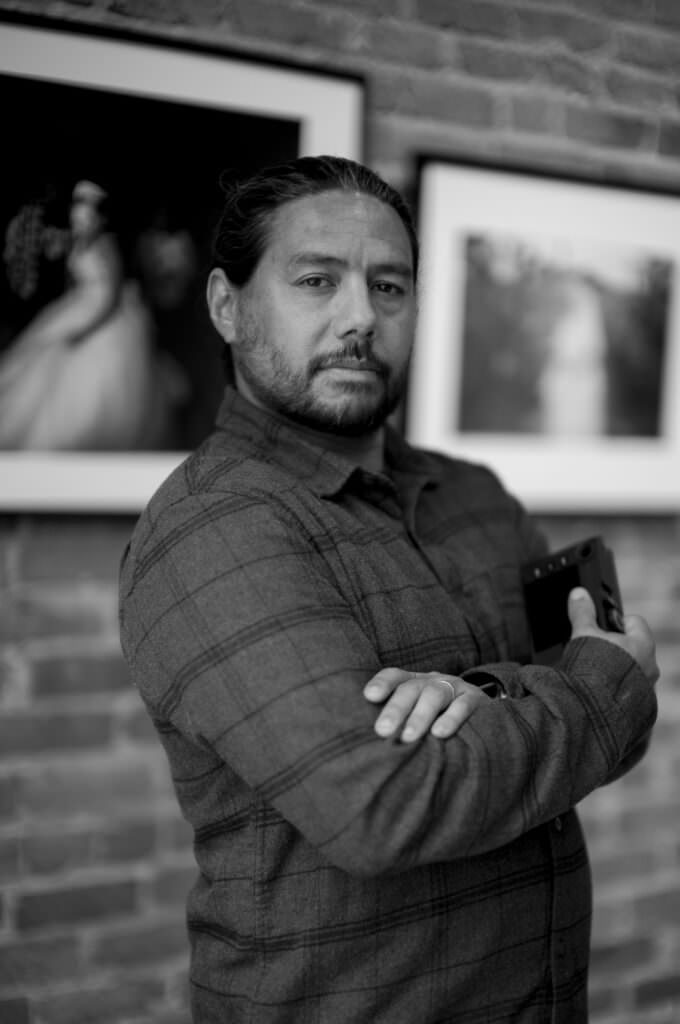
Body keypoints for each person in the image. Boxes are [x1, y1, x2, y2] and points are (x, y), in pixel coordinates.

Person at [118, 155, 659, 1023]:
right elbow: (380, 807)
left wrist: (486, 690)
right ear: (226, 304)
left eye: (389, 286)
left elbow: (618, 708)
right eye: (316, 281)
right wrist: (586, 693)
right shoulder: (214, 526)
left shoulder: (475, 494)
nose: (361, 317)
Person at [0, 180, 186, 449]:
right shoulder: (79, 243)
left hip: (98, 316)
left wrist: (83, 328)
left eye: (86, 211)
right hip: (79, 307)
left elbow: (109, 295)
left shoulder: (105, 244)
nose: (79, 218)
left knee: (96, 385)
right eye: (77, 210)